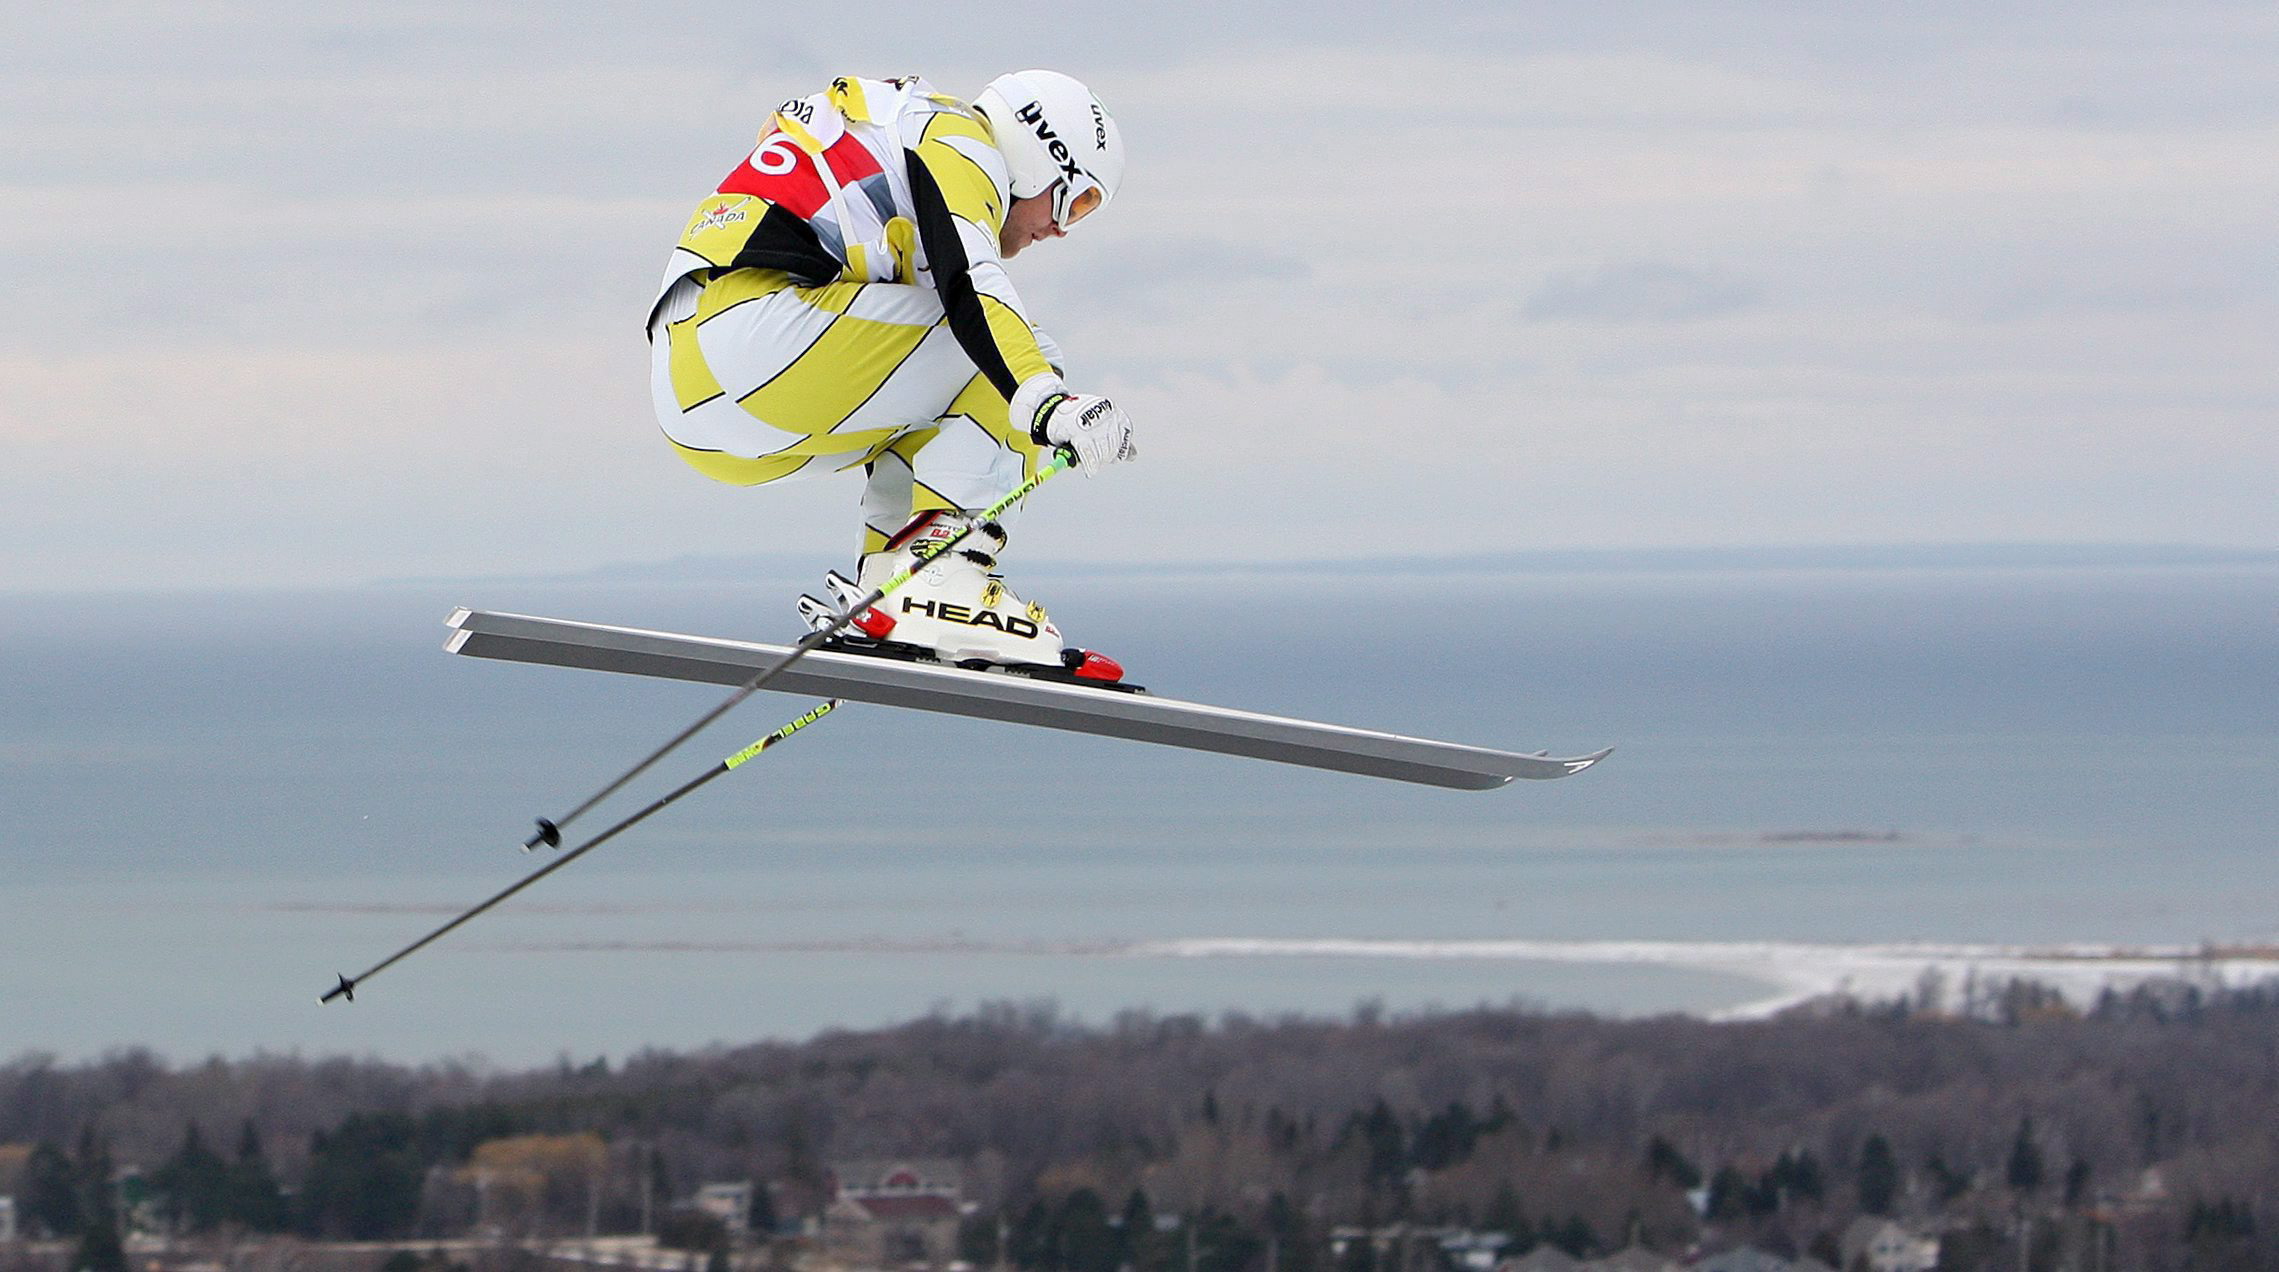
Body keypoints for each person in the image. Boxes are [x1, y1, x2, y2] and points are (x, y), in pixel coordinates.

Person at [645, 71, 1136, 681]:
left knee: (939, 395)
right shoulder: (960, 138)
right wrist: (1048, 402)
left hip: (697, 392)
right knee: (1014, 349)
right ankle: (945, 577)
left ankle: (895, 586)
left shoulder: (900, 140)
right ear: (1040, 156)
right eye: (1076, 198)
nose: (1062, 226)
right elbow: (972, 285)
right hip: (747, 339)